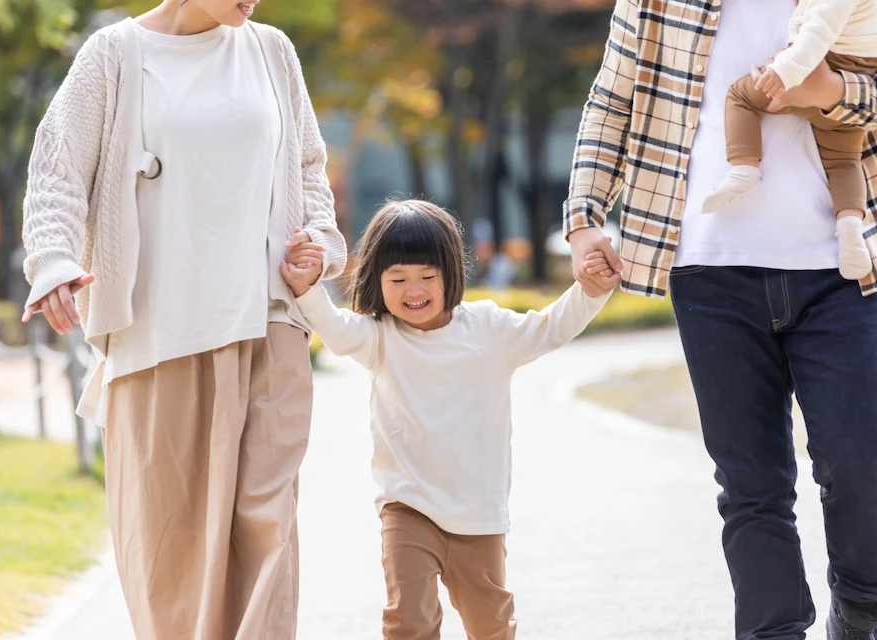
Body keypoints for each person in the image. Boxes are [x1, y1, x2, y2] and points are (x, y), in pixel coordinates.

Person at [19, 0, 346, 638]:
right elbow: (57, 170)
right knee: (168, 544)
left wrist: (318, 243)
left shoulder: (272, 51)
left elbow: (308, 166)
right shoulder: (112, 56)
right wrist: (54, 261)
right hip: (156, 330)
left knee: (268, 528)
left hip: (268, 320)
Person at [567, 1, 877, 638]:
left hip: (844, 267)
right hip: (710, 271)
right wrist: (584, 217)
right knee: (751, 488)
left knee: (860, 463)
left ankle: (862, 606)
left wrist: (835, 91)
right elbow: (613, 98)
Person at [280, 199, 611, 639]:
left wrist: (591, 289)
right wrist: (306, 289)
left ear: (450, 274)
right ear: (377, 280)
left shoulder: (488, 330)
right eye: (397, 278)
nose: (412, 290)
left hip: (477, 512)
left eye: (426, 277)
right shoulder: (381, 337)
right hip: (408, 506)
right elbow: (337, 329)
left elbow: (550, 328)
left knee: (490, 621)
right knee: (408, 619)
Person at [701, 0, 877, 281]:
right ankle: (850, 229)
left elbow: (818, 31)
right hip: (858, 72)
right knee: (844, 161)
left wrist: (785, 71)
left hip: (825, 64)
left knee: (742, 96)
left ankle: (743, 167)